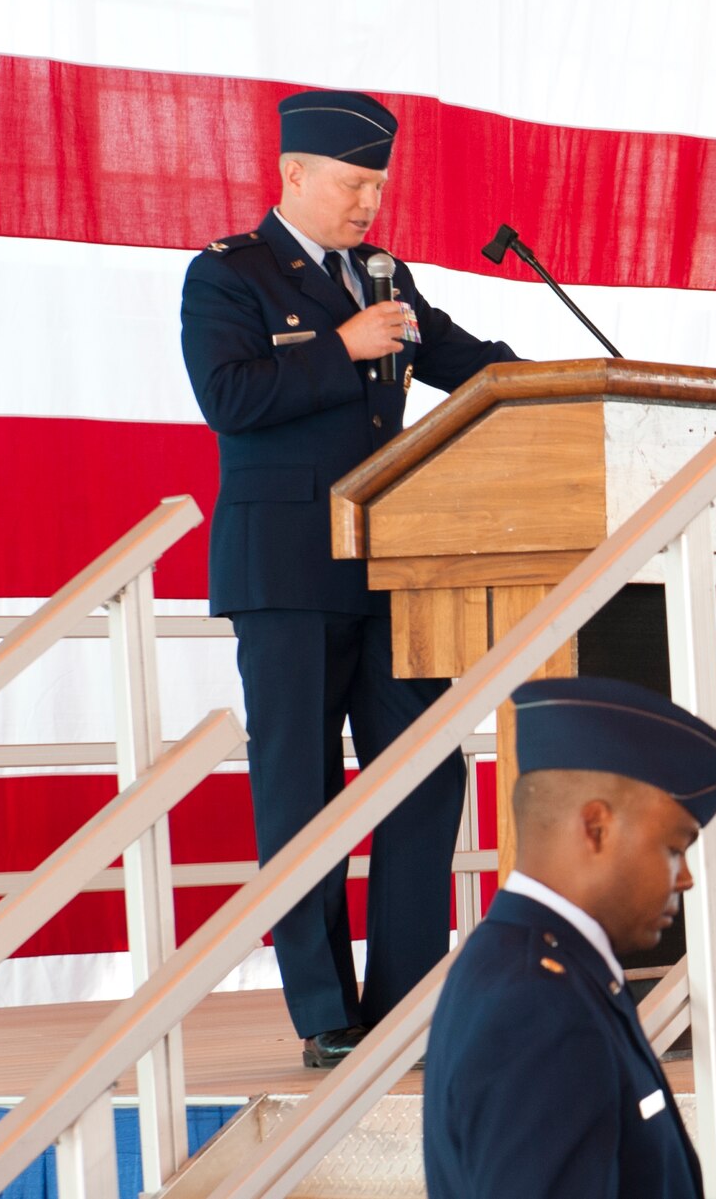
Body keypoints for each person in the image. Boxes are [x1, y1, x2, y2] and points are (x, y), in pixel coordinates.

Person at [179, 90, 520, 1066]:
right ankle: (327, 1013)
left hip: (388, 570)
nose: (368, 203)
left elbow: (463, 360)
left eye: (377, 184)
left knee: (423, 774)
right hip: (283, 570)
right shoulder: (229, 277)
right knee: (302, 791)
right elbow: (230, 398)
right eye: (350, 183)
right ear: (291, 175)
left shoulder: (384, 274)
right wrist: (341, 348)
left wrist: (559, 388)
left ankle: (407, 1000)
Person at [423, 677, 716, 1199]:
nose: (685, 877)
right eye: (673, 847)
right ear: (595, 827)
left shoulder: (533, 966)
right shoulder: (540, 1008)